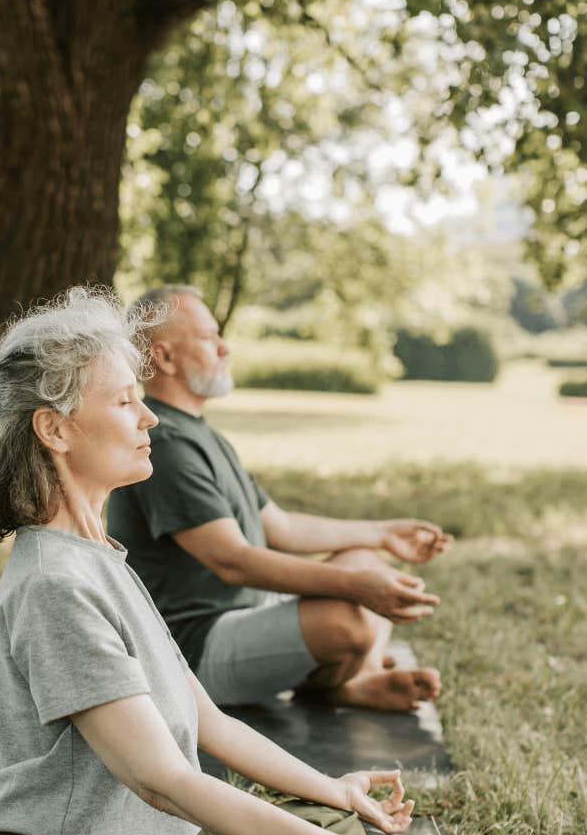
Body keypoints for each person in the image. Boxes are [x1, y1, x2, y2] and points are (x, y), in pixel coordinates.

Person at [0, 287, 443, 835]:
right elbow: (162, 780)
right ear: (53, 428)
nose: (148, 418)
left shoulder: (99, 557)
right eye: (123, 402)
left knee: (331, 827)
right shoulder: (54, 583)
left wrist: (335, 792)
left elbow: (211, 723)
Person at [106, 285, 452, 712]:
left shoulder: (200, 434)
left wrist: (382, 534)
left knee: (365, 560)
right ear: (165, 358)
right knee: (348, 620)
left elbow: (282, 528)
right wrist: (355, 587)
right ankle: (349, 678)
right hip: (192, 651)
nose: (224, 347)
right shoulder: (166, 444)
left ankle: (354, 681)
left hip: (244, 614)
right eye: (209, 338)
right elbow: (232, 561)